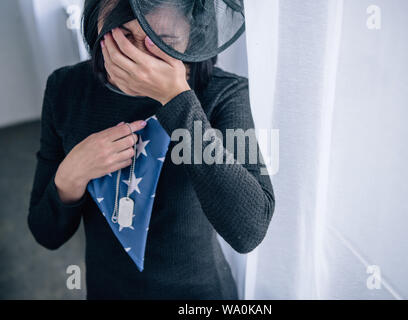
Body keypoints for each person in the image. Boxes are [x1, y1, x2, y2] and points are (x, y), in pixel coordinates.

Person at [28, 0, 275, 299]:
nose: (141, 63)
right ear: (97, 22)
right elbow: (46, 233)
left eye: (163, 43)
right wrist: (71, 176)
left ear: (193, 35)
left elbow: (248, 231)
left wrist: (176, 99)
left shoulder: (224, 94)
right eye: (124, 39)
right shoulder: (64, 89)